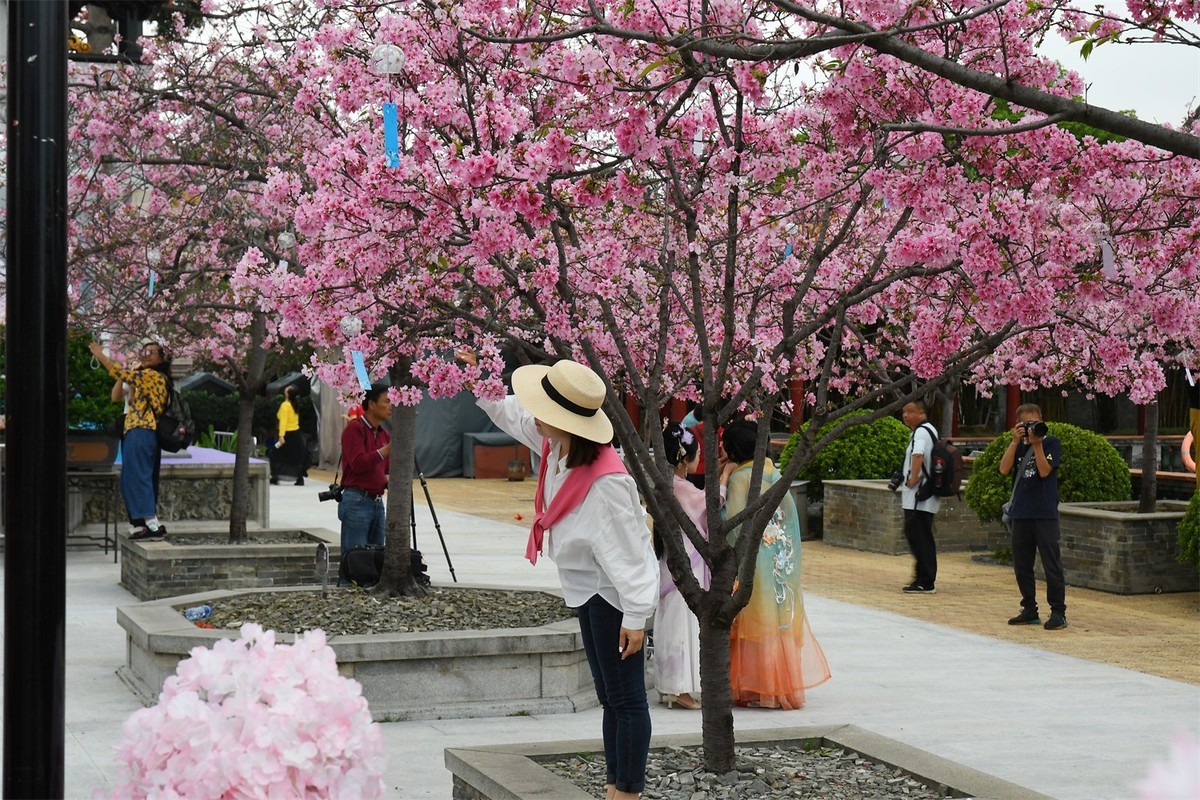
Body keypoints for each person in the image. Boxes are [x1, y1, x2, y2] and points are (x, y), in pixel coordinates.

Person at [471, 354, 658, 800]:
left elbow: (633, 552)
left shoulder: (605, 479)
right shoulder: (557, 448)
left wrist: (636, 613)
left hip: (610, 593)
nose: (535, 416)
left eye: (545, 411)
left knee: (627, 699)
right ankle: (616, 786)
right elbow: (508, 412)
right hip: (586, 587)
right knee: (609, 695)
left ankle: (627, 792)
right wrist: (476, 374)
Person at [719, 418, 830, 710]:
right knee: (774, 621)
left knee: (753, 624)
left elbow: (731, 524)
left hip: (752, 558)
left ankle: (757, 687)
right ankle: (777, 687)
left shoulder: (741, 477)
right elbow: (790, 519)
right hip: (780, 556)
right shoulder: (775, 472)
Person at [88, 339, 171, 541]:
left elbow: (118, 373)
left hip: (142, 429)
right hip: (136, 429)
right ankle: (143, 524)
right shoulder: (143, 376)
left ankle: (152, 524)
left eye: (152, 352)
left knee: (137, 477)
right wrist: (132, 378)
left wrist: (100, 354)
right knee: (129, 479)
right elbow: (128, 399)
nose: (146, 354)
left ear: (161, 359)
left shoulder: (153, 376)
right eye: (145, 351)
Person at [651, 421, 709, 711]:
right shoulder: (682, 488)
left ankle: (668, 683)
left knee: (670, 621)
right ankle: (680, 688)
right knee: (684, 624)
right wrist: (723, 479)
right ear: (684, 458)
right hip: (686, 562)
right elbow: (709, 505)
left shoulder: (664, 486)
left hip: (669, 561)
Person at [999, 403, 1067, 631]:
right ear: (1017, 425)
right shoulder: (1016, 445)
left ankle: (1058, 612)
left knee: (1051, 565)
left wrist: (1036, 443)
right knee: (1022, 566)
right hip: (1021, 513)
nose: (1030, 428)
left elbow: (1045, 471)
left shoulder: (1051, 443)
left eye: (1033, 423)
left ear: (1041, 421)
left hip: (1044, 514)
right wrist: (1015, 441)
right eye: (1025, 424)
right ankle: (1029, 609)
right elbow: (1004, 469)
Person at [338, 384, 391, 553]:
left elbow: (386, 470)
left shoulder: (384, 434)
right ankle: (351, 581)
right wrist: (386, 450)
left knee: (375, 554)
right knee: (356, 556)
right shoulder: (355, 428)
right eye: (387, 401)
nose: (391, 406)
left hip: (377, 502)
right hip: (357, 500)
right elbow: (358, 464)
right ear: (372, 404)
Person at [900, 400, 941, 594]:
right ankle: (921, 577)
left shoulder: (922, 432)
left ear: (922, 412)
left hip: (919, 496)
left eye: (910, 411)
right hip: (923, 495)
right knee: (917, 534)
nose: (906, 415)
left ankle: (926, 580)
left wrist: (913, 479)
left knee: (920, 536)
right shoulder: (927, 430)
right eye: (904, 412)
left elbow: (918, 456)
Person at [270, 384, 308, 486]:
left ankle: (275, 476)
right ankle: (299, 478)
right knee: (296, 456)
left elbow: (283, 421)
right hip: (296, 434)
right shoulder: (295, 404)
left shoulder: (285, 405)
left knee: (274, 453)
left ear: (288, 393)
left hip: (286, 434)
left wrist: (281, 436)